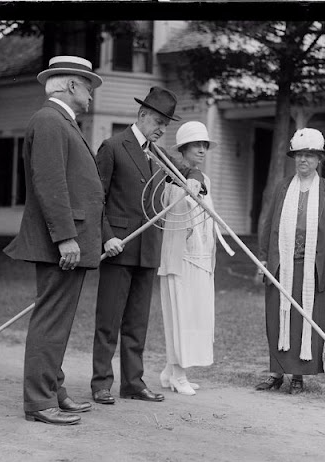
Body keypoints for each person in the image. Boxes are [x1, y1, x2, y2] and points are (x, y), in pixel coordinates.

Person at [3, 56, 113, 425]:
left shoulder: (60, 121)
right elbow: (50, 184)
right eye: (88, 86)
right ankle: (39, 401)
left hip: (69, 241)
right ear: (71, 85)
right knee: (51, 321)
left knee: (58, 322)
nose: (92, 94)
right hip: (61, 244)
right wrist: (66, 237)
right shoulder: (50, 120)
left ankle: (53, 390)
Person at [91, 87, 205, 404]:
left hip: (148, 249)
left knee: (137, 322)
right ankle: (101, 383)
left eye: (165, 125)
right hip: (118, 247)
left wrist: (194, 177)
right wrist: (106, 236)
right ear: (142, 115)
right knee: (108, 321)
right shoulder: (113, 147)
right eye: (157, 122)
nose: (161, 129)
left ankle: (132, 383)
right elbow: (96, 199)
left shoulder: (158, 153)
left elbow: (187, 170)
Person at [255, 128, 325, 394]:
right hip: (283, 264)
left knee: (306, 319)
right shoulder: (283, 187)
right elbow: (269, 225)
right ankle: (276, 373)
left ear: (319, 159)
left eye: (310, 155)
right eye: (300, 155)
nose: (303, 160)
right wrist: (263, 259)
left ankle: (298, 376)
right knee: (278, 317)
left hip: (311, 266)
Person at [158, 121, 230, 395]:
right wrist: (184, 189)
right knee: (181, 317)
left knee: (197, 317)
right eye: (196, 145)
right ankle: (178, 374)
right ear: (184, 148)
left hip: (201, 258)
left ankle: (170, 370)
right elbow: (173, 214)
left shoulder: (204, 180)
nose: (201, 150)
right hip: (181, 258)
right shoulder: (171, 178)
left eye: (204, 145)